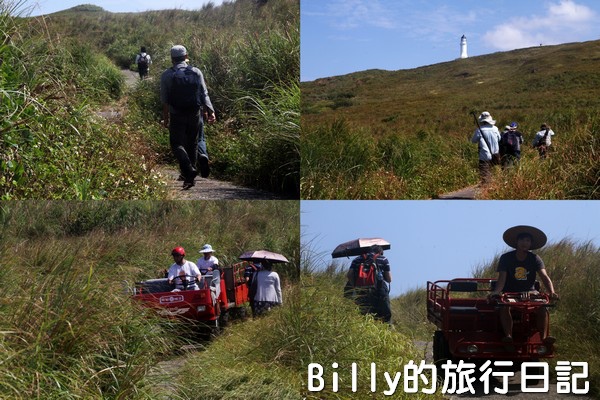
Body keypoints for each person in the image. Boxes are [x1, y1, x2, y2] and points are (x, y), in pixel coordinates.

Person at [488, 225, 559, 345]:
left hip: (531, 292)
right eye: (522, 240)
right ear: (517, 242)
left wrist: (551, 291)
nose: (524, 243)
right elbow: (502, 279)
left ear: (531, 243)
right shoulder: (506, 258)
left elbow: (545, 277)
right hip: (510, 293)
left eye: (527, 240)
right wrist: (496, 292)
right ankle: (508, 336)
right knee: (504, 306)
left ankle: (544, 337)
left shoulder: (535, 259)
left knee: (543, 306)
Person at [160, 45, 216, 189]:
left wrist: (166, 119)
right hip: (195, 113)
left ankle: (188, 169)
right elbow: (204, 93)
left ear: (172, 58)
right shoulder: (196, 72)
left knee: (176, 144)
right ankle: (190, 179)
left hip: (176, 114)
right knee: (193, 143)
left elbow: (165, 100)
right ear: (186, 56)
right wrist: (211, 111)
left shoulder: (167, 75)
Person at [346, 245, 392, 323]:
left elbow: (349, 275)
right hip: (379, 291)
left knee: (363, 315)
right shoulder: (383, 259)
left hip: (362, 291)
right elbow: (389, 279)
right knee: (385, 316)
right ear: (380, 252)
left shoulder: (357, 260)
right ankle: (385, 330)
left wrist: (355, 285)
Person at [471, 111, 501, 184]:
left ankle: (487, 188)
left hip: (484, 155)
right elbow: (499, 139)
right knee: (494, 171)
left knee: (484, 174)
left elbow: (473, 141)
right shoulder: (495, 129)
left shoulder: (479, 130)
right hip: (495, 154)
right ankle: (494, 186)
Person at [197, 244, 221, 314]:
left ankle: (214, 303)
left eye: (207, 252)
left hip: (212, 278)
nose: (206, 254)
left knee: (212, 290)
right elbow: (197, 269)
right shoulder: (200, 260)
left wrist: (211, 268)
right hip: (202, 278)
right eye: (205, 253)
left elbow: (215, 265)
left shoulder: (214, 259)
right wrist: (200, 272)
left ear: (210, 252)